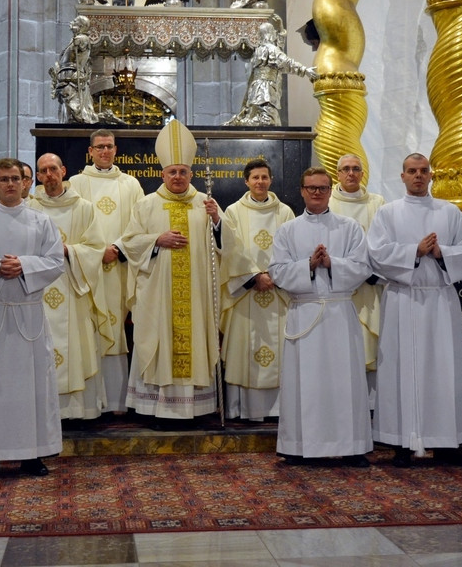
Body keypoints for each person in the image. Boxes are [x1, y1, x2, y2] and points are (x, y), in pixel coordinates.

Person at [366, 153, 462, 467]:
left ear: (431, 175)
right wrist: (414, 251)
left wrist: (442, 253)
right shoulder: (388, 213)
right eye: (412, 171)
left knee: (444, 369)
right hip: (403, 298)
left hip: (440, 300)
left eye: (423, 171)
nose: (418, 176)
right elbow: (376, 253)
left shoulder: (449, 212)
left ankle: (445, 441)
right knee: (400, 367)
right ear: (402, 176)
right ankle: (402, 441)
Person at [119, 120, 227, 424]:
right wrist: (157, 240)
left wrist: (217, 220)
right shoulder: (146, 205)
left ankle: (196, 408)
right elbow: (129, 243)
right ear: (162, 174)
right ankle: (155, 408)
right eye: (172, 172)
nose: (177, 177)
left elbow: (228, 245)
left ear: (191, 174)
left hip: (196, 296)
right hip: (158, 295)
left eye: (182, 172)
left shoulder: (206, 204)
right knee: (159, 340)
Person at [268, 167, 373, 465]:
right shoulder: (287, 230)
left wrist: (332, 263)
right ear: (302, 190)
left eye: (323, 188)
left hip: (340, 311)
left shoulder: (349, 227)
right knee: (305, 384)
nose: (317, 192)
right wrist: (309, 266)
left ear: (330, 190)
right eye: (311, 187)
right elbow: (277, 271)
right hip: (305, 311)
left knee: (345, 381)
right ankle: (299, 446)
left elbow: (363, 267)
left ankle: (352, 447)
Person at [0, 159, 65, 477]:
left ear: (25, 183)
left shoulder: (41, 222)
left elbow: (56, 262)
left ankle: (32, 454)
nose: (10, 184)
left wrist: (24, 265)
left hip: (27, 312)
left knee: (31, 386)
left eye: (15, 178)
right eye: (4, 179)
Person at [68, 130, 145, 415]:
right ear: (90, 151)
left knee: (116, 326)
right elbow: (72, 222)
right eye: (99, 147)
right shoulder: (76, 183)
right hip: (88, 269)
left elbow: (140, 222)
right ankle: (92, 399)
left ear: (116, 149)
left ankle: (117, 400)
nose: (104, 151)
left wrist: (118, 248)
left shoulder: (130, 184)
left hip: (120, 268)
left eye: (109, 146)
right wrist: (96, 252)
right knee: (89, 328)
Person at [29, 153, 108, 421]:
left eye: (53, 169)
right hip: (38, 290)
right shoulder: (30, 208)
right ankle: (43, 412)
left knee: (77, 347)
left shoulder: (83, 207)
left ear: (63, 171)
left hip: (73, 285)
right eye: (43, 171)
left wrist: (68, 250)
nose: (49, 175)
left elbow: (96, 247)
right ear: (38, 176)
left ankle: (76, 411)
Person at [219, 159, 293, 421]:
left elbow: (293, 247)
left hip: (278, 291)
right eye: (255, 178)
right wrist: (253, 277)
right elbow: (229, 250)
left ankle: (280, 410)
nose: (260, 182)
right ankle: (244, 409)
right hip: (246, 292)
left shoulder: (285, 212)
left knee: (282, 350)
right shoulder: (233, 212)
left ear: (271, 180)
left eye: (264, 177)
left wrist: (274, 276)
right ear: (246, 181)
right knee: (244, 350)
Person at [328, 153, 386, 395]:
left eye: (355, 169)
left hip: (370, 284)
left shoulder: (377, 203)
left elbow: (383, 241)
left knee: (370, 342)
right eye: (346, 169)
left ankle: (371, 401)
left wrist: (369, 271)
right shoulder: (328, 202)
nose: (351, 173)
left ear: (363, 174)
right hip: (340, 287)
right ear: (338, 174)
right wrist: (349, 272)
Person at [226, 22, 316, 126]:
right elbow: (286, 62)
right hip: (266, 89)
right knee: (269, 121)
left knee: (260, 116)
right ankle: (241, 123)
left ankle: (241, 122)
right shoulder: (271, 49)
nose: (275, 33)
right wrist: (305, 70)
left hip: (256, 89)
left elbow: (279, 55)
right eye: (273, 31)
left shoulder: (259, 50)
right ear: (270, 33)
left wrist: (281, 30)